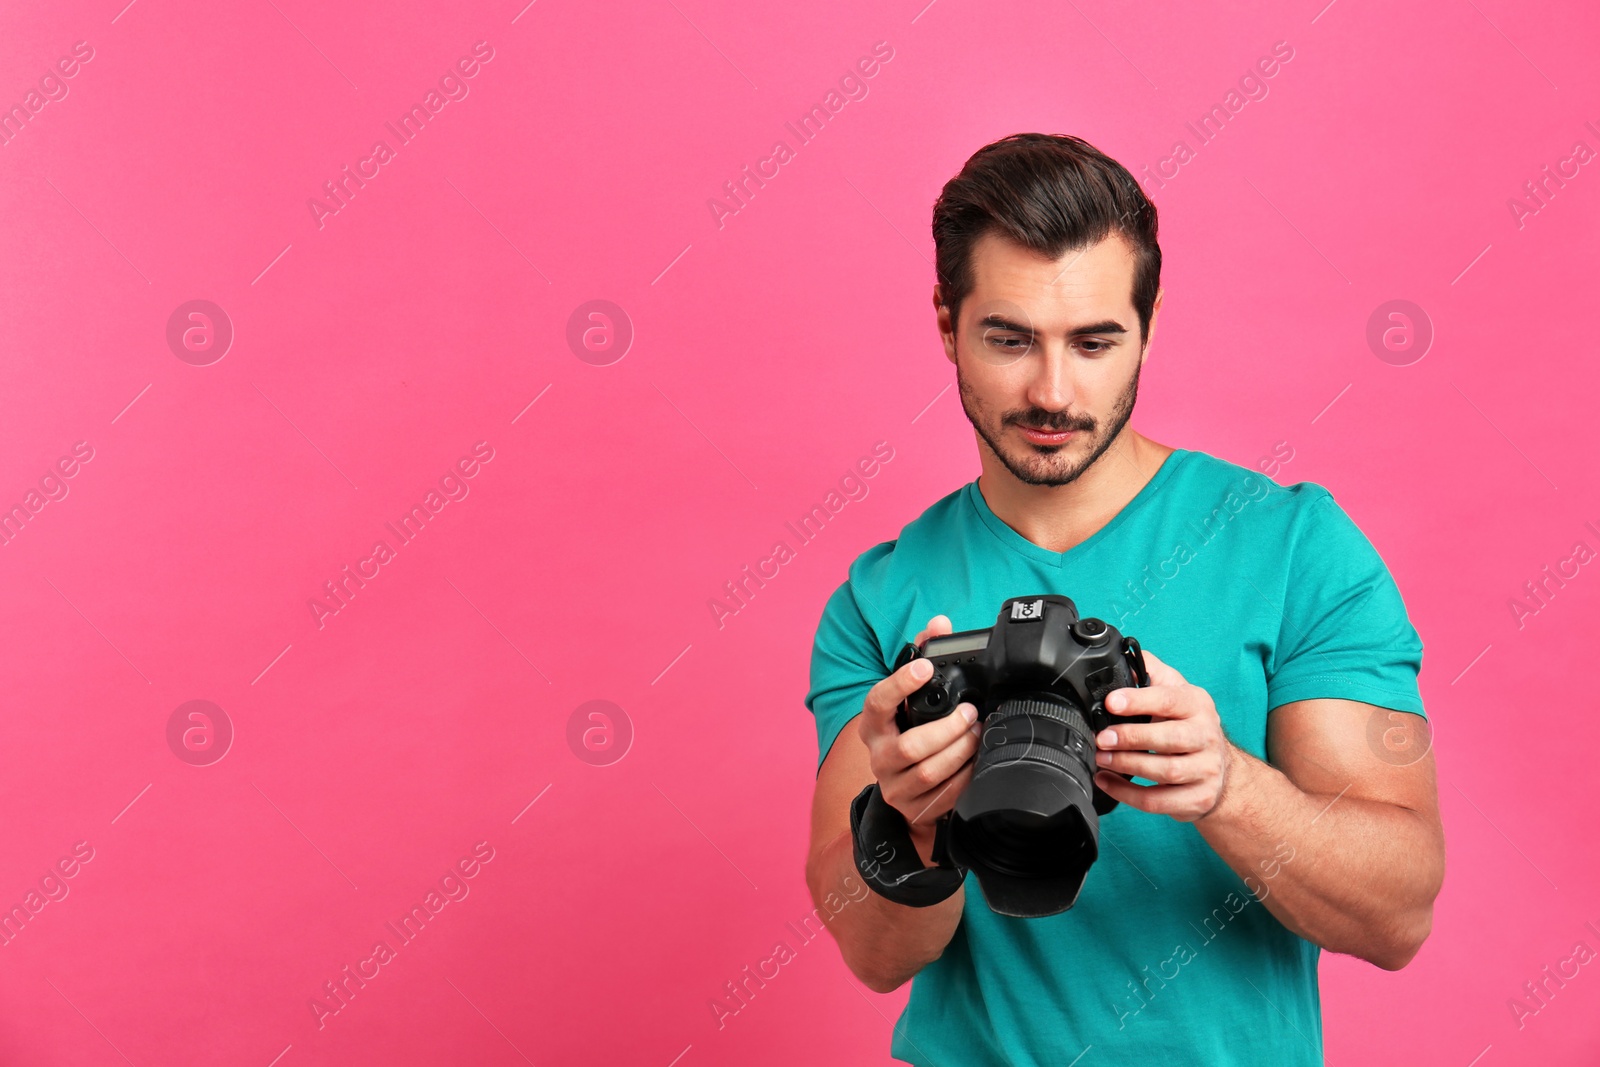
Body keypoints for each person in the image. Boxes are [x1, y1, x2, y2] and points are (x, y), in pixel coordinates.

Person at [802, 133, 1444, 1066]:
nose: (1052, 390)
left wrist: (1227, 785)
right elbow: (872, 953)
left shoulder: (1294, 548)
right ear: (947, 322)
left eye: (1095, 341)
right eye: (1009, 338)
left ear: (1149, 324)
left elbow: (1399, 912)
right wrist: (911, 821)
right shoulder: (881, 598)